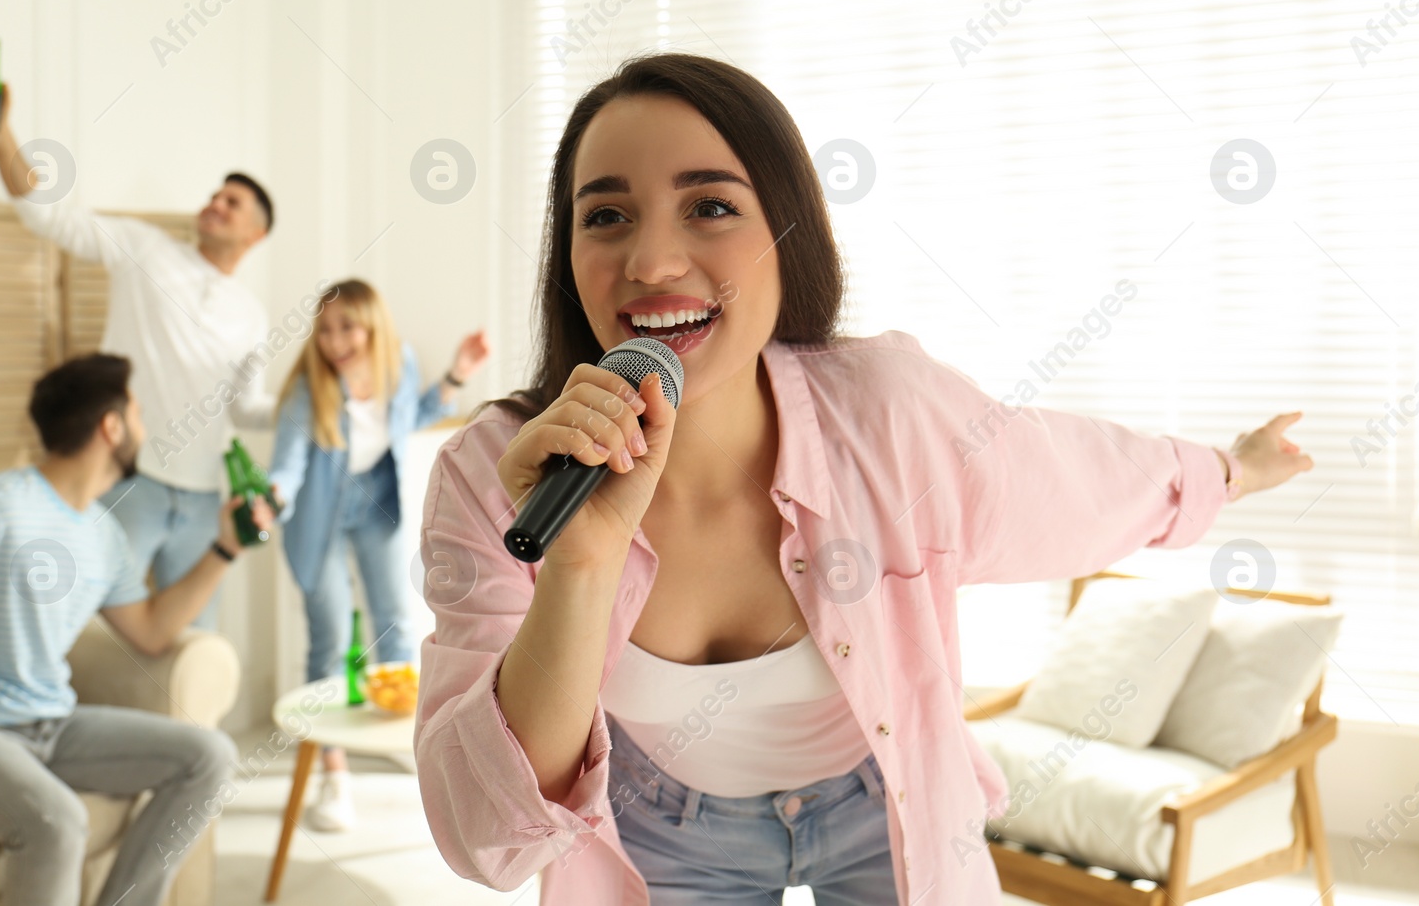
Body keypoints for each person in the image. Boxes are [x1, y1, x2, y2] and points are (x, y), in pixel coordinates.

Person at [410, 54, 1315, 905]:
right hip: (662, 819)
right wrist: (579, 569)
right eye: (605, 215)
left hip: (884, 796)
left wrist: (1231, 470)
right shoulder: (500, 474)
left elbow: (1079, 479)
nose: (650, 262)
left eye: (711, 207)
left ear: (786, 230)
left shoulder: (889, 414)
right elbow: (487, 838)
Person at [0, 353, 272, 906]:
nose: (144, 429)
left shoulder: (103, 534)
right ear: (111, 426)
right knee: (59, 821)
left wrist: (224, 549)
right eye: (138, 413)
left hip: (49, 725)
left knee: (209, 756)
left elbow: (151, 631)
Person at [0, 70, 278, 630]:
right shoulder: (145, 250)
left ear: (255, 235)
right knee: (94, 627)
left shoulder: (253, 315)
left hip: (207, 498)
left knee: (194, 643)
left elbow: (246, 409)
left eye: (232, 203)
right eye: (214, 195)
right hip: (133, 481)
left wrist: (319, 400)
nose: (215, 204)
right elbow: (46, 214)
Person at [268, 278, 488, 830]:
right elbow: (289, 463)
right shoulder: (308, 388)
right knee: (332, 637)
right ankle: (332, 774)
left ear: (373, 326)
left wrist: (458, 374)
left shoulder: (399, 365)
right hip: (317, 513)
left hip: (375, 506)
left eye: (347, 327)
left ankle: (406, 740)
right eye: (324, 330)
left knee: (393, 625)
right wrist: (272, 497)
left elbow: (407, 418)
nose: (335, 341)